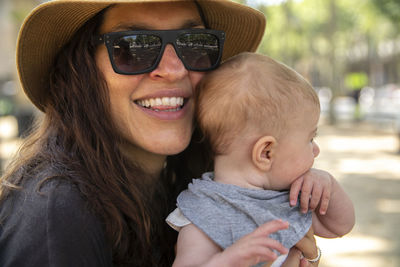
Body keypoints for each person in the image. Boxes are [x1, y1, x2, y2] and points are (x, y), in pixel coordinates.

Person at [0, 1, 319, 266]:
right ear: (80, 71)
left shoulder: (192, 190)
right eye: (133, 47)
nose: (174, 68)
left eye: (193, 44)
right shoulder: (57, 216)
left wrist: (303, 255)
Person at [167, 52, 356, 267]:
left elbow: (339, 226)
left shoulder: (290, 195)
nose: (316, 150)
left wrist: (327, 184)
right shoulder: (206, 213)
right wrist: (228, 261)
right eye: (310, 139)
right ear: (266, 153)